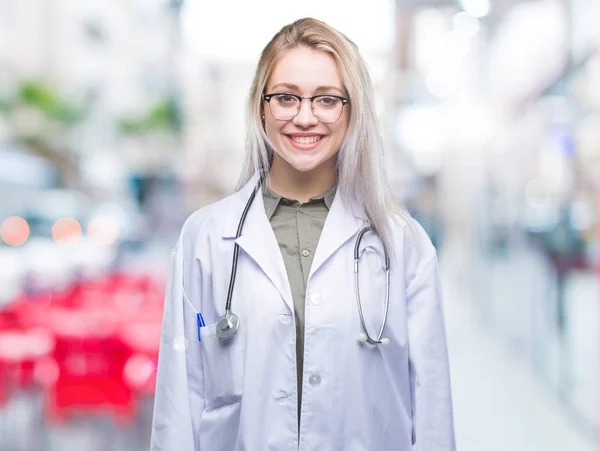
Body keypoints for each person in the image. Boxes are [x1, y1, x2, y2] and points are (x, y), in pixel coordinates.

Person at [150, 17, 455, 451]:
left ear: (353, 110)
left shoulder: (402, 244)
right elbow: (179, 405)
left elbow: (432, 411)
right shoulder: (205, 238)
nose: (305, 117)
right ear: (261, 106)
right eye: (287, 98)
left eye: (328, 100)